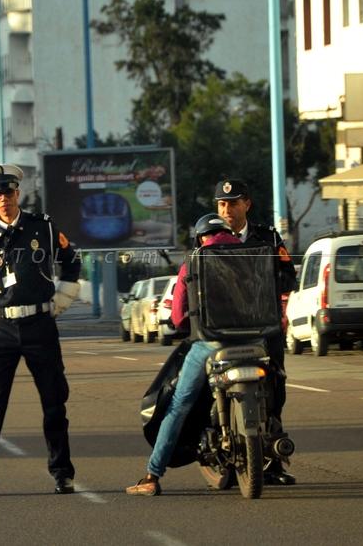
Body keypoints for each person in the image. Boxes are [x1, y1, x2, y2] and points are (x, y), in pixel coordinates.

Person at [0, 163, 82, 497]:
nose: (3, 198)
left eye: (9, 192)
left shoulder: (42, 227)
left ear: (19, 193)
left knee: (54, 402)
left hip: (40, 326)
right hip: (0, 329)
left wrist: (61, 301)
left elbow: (72, 261)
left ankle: (62, 474)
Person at [126, 214, 241, 496]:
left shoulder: (195, 259)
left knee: (179, 404)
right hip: (255, 340)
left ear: (201, 237)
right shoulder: (251, 254)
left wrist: (185, 325)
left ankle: (153, 474)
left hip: (211, 344)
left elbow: (177, 316)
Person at [214, 178, 297, 486]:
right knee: (214, 386)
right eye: (222, 204)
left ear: (246, 204)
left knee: (274, 389)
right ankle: (224, 460)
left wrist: (265, 283)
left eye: (233, 203)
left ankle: (274, 462)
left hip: (265, 326)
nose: (227, 209)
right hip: (225, 327)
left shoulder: (268, 237)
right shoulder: (210, 238)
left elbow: (288, 275)